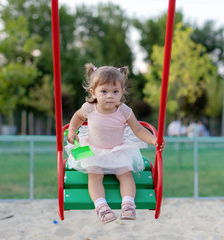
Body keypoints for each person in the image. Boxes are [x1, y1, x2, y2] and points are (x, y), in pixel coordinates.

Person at [65, 63, 165, 224]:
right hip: (93, 149)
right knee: (94, 175)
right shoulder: (89, 108)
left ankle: (128, 204)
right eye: (104, 91)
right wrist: (72, 131)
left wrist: (153, 140)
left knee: (125, 174)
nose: (110, 96)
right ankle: (101, 207)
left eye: (115, 91)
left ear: (122, 92)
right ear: (93, 92)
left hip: (118, 149)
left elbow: (139, 130)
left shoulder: (124, 111)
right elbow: (77, 118)